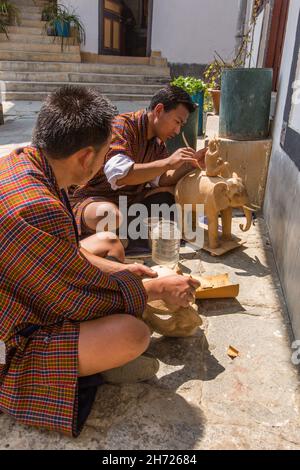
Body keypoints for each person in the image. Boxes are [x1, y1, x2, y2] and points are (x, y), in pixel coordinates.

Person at [0, 86, 200, 436]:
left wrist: (125, 272)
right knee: (132, 334)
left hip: (23, 281)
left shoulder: (22, 160)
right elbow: (71, 301)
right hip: (10, 340)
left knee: (110, 245)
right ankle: (95, 362)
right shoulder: (36, 208)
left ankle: (98, 357)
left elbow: (61, 256)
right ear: (85, 157)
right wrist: (153, 288)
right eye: (105, 153)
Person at [70, 85, 207, 244]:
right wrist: (168, 162)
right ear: (159, 110)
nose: (177, 131)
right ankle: (117, 234)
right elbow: (121, 176)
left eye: (181, 125)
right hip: (94, 200)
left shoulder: (158, 143)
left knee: (173, 194)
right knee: (108, 215)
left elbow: (160, 179)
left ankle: (125, 232)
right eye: (177, 122)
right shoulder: (121, 126)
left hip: (130, 204)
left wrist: (191, 164)